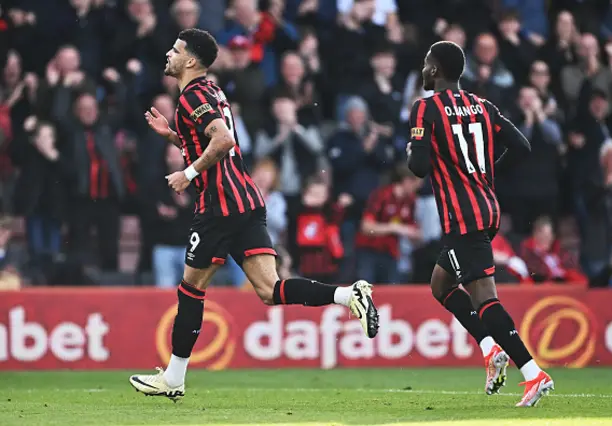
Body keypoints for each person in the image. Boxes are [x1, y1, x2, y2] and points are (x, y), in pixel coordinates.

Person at [129, 29, 379, 400]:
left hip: (219, 207)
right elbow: (213, 142)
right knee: (270, 289)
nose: (169, 53)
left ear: (191, 61)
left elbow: (224, 141)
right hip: (246, 199)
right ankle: (348, 295)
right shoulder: (211, 91)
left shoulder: (192, 95)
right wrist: (171, 136)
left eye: (176, 49)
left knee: (190, 290)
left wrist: (188, 174)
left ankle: (174, 378)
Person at [405, 41, 553, 408]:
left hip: (463, 216)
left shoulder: (424, 109)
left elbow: (419, 168)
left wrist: (412, 151)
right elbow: (521, 146)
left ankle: (533, 372)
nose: (423, 71)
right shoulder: (483, 105)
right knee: (441, 284)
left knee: (484, 296)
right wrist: (483, 172)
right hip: (486, 209)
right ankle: (490, 349)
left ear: (435, 70)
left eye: (426, 65)